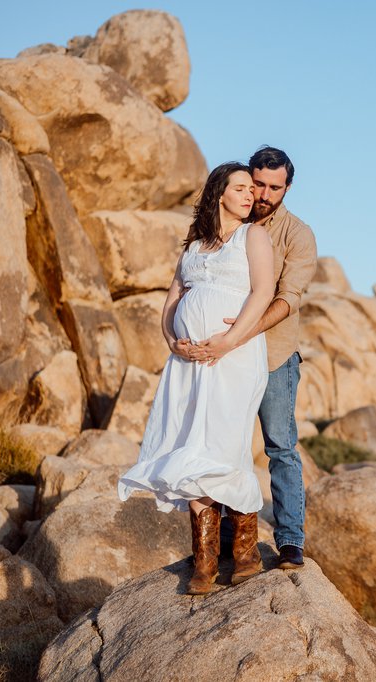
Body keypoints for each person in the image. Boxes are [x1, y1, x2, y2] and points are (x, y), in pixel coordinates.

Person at [118, 162, 275, 595]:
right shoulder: (195, 245)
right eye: (241, 188)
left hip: (234, 356)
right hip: (187, 363)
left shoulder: (253, 236)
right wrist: (172, 339)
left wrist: (227, 341)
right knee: (188, 442)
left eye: (252, 190)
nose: (250, 195)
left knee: (225, 442)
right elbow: (172, 300)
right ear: (218, 193)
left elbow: (263, 292)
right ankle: (204, 563)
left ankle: (245, 552)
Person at [195, 147, 317, 569]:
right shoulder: (229, 224)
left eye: (274, 187)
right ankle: (229, 539)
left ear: (287, 187)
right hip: (224, 359)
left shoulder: (297, 234)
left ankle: (289, 542)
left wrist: (239, 333)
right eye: (258, 183)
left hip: (274, 355)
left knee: (280, 447)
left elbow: (288, 299)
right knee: (226, 445)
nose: (263, 194)